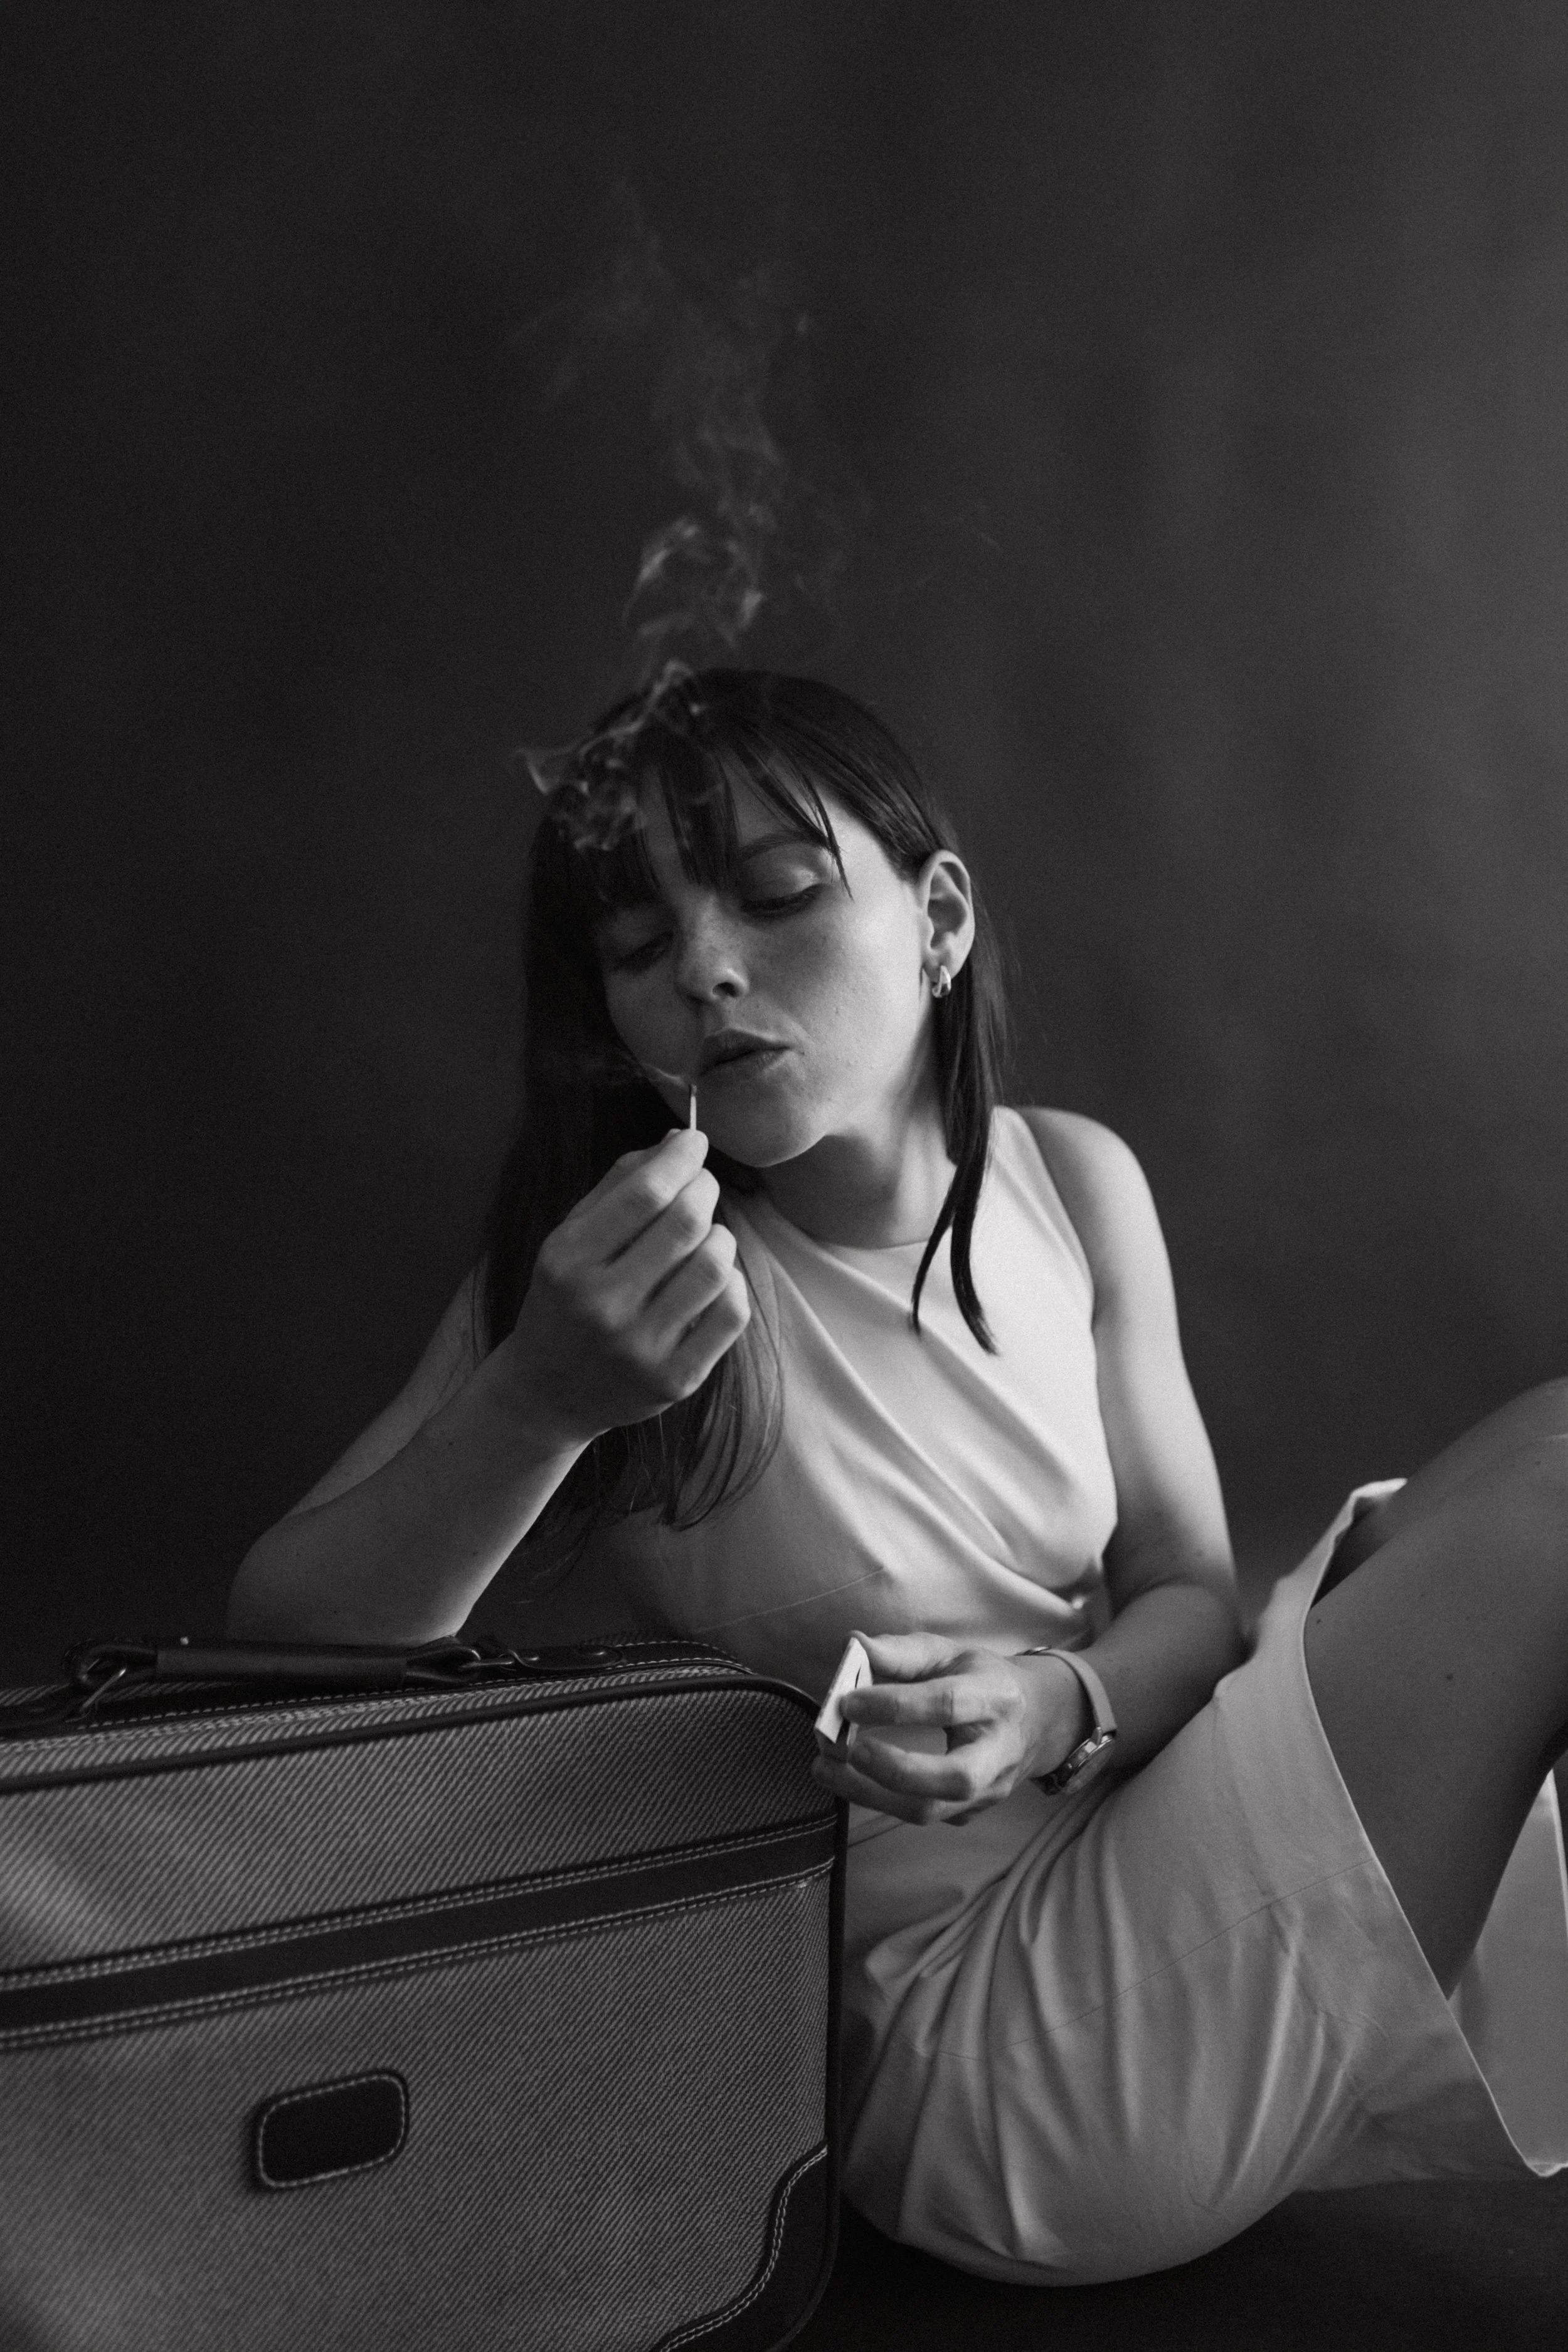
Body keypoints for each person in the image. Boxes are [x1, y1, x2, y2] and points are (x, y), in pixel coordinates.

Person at [230, 669, 1568, 2282]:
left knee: (1484, 1503)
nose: (709, 971)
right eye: (641, 951)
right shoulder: (616, 1283)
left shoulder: (1073, 1179)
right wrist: (537, 1404)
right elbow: (278, 1656)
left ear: (936, 922)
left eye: (776, 895)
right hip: (976, 2053)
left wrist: (1048, 1705)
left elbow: (1180, 1602)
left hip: (1140, 1842)